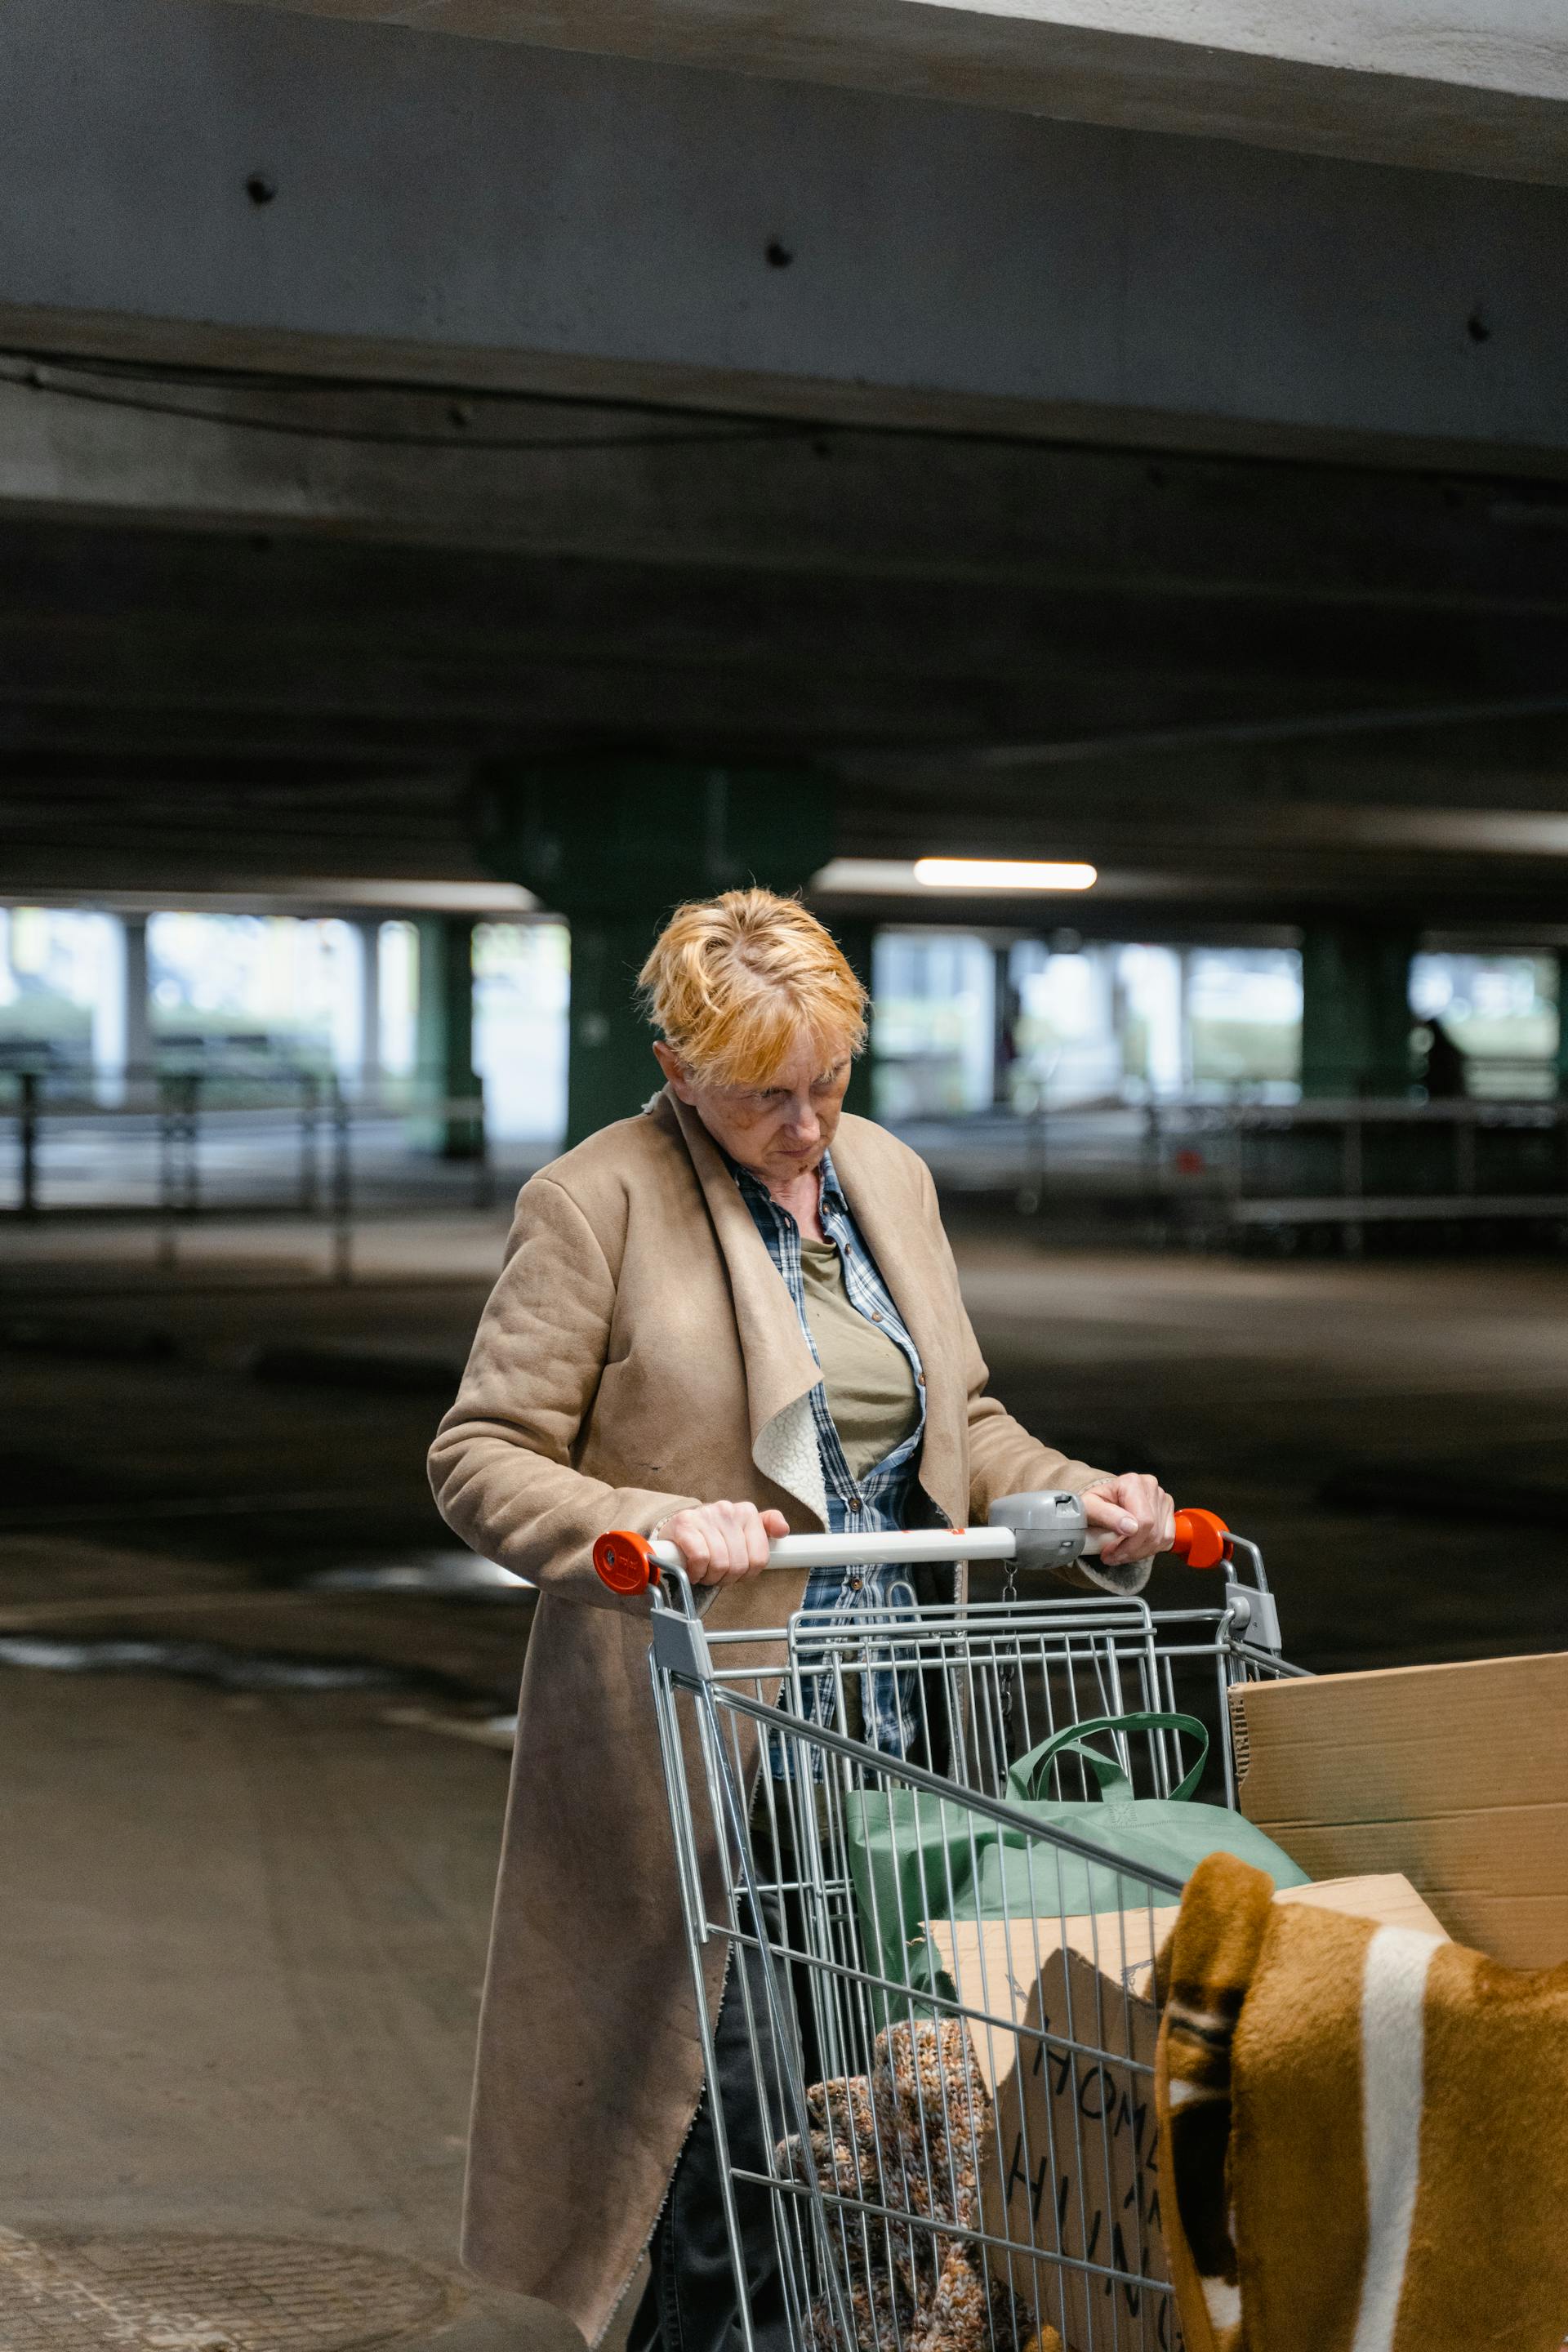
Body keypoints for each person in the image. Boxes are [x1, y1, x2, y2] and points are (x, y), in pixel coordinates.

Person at [429, 889, 1174, 2350]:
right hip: (710, 1749)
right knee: (751, 2155)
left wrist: (1087, 1497)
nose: (810, 1123)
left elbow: (960, 1421)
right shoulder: (595, 1203)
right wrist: (645, 1522)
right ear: (678, 1066)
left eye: (831, 1081)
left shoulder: (889, 1180)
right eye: (769, 1094)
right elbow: (479, 1456)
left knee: (867, 2150)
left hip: (899, 1747)